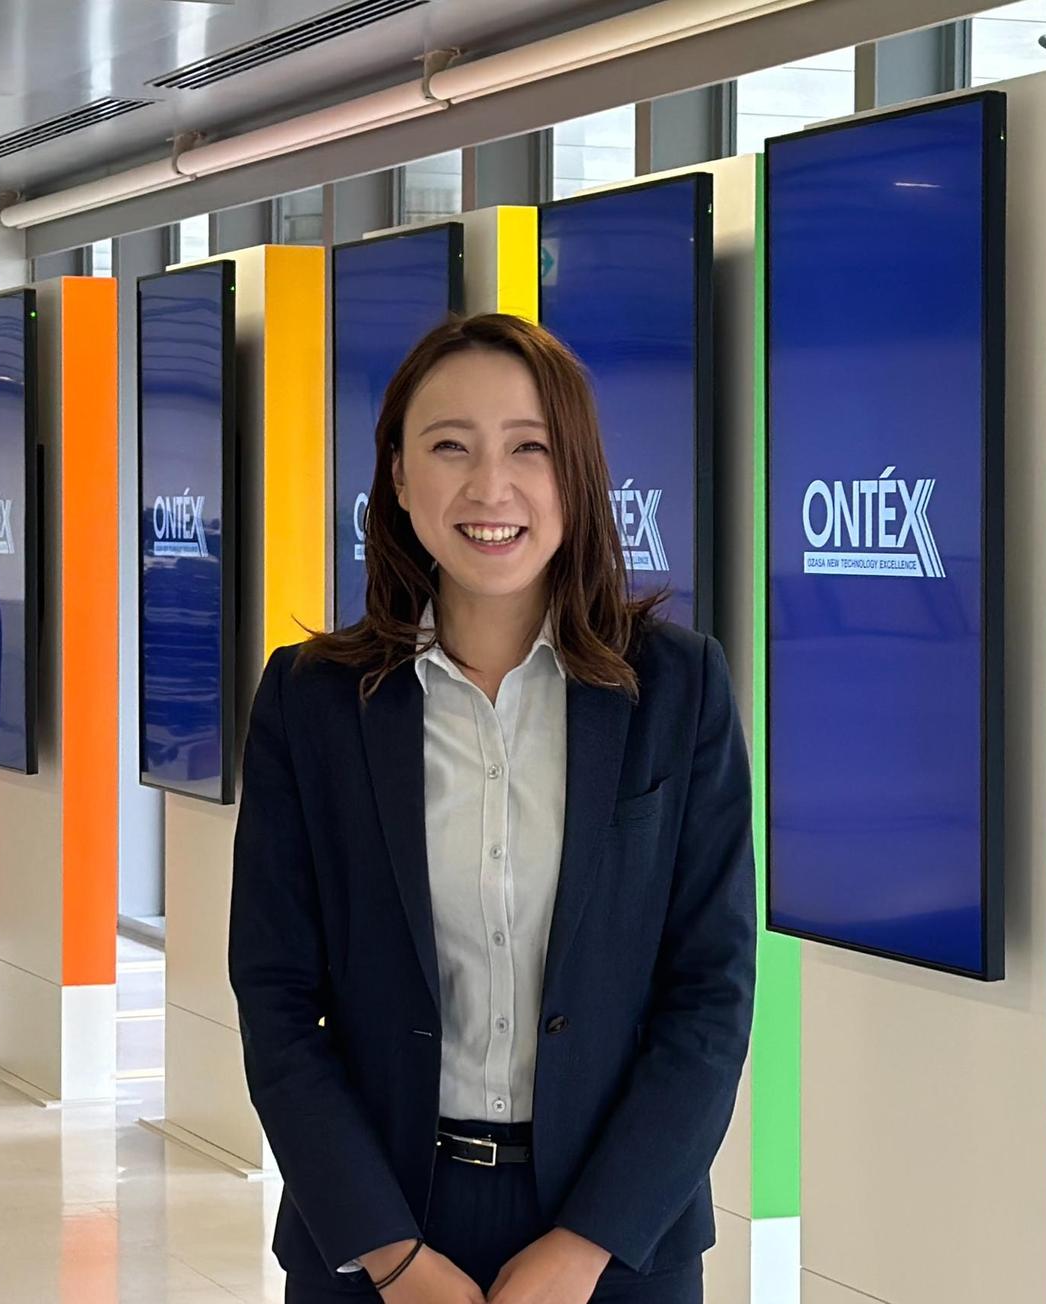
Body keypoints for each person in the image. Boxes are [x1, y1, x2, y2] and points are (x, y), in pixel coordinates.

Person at [228, 313, 755, 1303]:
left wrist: (586, 1245)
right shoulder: (311, 702)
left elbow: (710, 995)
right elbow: (276, 998)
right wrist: (390, 1253)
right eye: (449, 447)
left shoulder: (677, 689)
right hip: (375, 1233)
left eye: (528, 448)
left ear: (576, 474)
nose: (489, 488)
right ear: (396, 475)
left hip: (617, 1240)